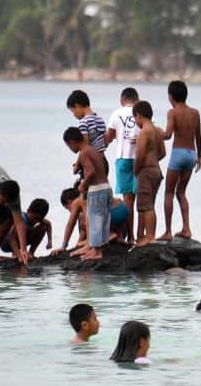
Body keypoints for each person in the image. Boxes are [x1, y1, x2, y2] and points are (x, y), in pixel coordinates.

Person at [159, 80, 201, 241]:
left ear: (171, 96)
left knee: (169, 192)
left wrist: (154, 130)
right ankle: (187, 229)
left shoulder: (173, 112)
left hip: (178, 154)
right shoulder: (195, 113)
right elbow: (199, 136)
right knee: (181, 192)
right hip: (191, 154)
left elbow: (168, 135)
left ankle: (168, 231)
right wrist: (199, 156)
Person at [63, 127, 111, 260]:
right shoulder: (93, 150)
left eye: (68, 146)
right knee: (103, 219)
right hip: (106, 187)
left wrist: (82, 185)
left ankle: (96, 251)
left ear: (72, 141)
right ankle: (98, 247)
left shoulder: (84, 153)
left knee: (94, 219)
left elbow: (90, 172)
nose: (70, 149)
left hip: (96, 189)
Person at [107, 87, 141, 244]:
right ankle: (140, 236)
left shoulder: (116, 113)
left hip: (123, 159)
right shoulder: (142, 111)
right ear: (137, 100)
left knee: (127, 201)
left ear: (122, 101)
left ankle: (129, 236)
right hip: (140, 160)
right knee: (142, 200)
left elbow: (108, 137)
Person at [133, 101, 165, 248]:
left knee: (146, 206)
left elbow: (139, 156)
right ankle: (150, 235)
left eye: (135, 119)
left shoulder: (144, 132)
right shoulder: (157, 130)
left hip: (146, 172)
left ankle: (150, 237)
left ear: (138, 116)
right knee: (150, 205)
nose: (136, 122)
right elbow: (163, 153)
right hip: (157, 171)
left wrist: (136, 170)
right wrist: (153, 160)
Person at [67, 89, 108, 156]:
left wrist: (77, 165)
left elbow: (84, 147)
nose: (74, 115)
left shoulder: (83, 123)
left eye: (72, 111)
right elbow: (105, 143)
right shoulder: (100, 120)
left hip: (91, 159)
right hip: (102, 158)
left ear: (77, 106)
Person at [50, 185, 87, 255]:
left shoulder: (78, 204)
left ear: (69, 202)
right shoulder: (85, 202)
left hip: (102, 234)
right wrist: (78, 245)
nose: (70, 211)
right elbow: (83, 232)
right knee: (79, 244)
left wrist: (63, 246)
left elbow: (70, 225)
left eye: (68, 208)